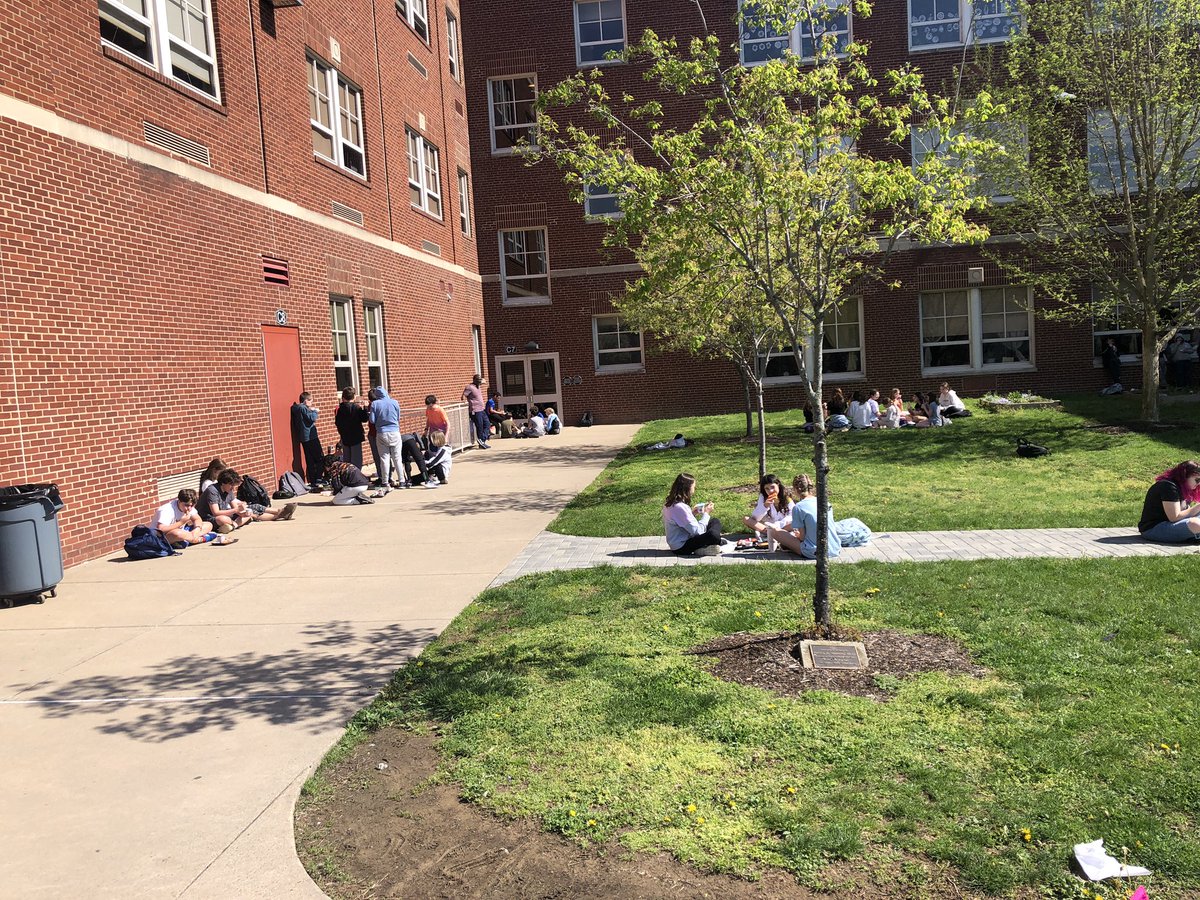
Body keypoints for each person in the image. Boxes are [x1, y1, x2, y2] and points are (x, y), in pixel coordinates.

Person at [766, 474, 841, 560]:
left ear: (795, 489)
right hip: (835, 548)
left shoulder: (799, 507)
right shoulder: (825, 503)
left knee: (775, 532)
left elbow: (802, 537)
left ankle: (791, 547)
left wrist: (796, 536)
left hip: (814, 551)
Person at [200, 469, 294, 532]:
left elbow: (235, 507)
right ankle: (280, 514)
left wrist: (243, 512)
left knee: (249, 513)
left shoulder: (228, 490)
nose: (233, 488)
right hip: (208, 517)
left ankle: (233, 526)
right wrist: (237, 511)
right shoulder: (212, 490)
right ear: (224, 483)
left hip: (225, 514)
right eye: (231, 485)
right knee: (223, 519)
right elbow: (216, 512)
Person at [662, 473, 724, 556]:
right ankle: (704, 547)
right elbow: (698, 532)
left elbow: (681, 522)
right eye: (693, 487)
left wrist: (692, 513)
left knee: (714, 521)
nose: (694, 490)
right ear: (688, 488)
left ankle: (707, 546)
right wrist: (706, 513)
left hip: (677, 544)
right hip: (682, 547)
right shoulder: (680, 507)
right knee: (713, 535)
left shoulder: (671, 503)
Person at [1138, 460, 1200, 543]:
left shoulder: (1186, 488)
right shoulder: (1168, 487)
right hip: (1154, 528)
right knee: (1195, 524)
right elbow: (1174, 517)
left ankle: (1195, 536)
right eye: (1197, 480)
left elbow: (1186, 511)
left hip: (1173, 524)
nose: (1199, 483)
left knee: (1196, 523)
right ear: (1184, 477)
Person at [152, 489, 223, 546]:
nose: (189, 508)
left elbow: (197, 519)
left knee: (208, 525)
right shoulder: (167, 509)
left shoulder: (189, 508)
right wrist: (181, 522)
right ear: (179, 501)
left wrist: (197, 529)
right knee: (177, 533)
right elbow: (161, 529)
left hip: (184, 532)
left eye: (191, 506)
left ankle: (187, 540)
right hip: (160, 537)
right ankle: (199, 539)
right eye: (186, 505)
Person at [370, 387, 406, 491]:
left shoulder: (375, 404)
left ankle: (385, 482)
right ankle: (402, 481)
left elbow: (372, 420)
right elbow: (398, 417)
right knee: (397, 458)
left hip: (381, 433)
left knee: (384, 459)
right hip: (394, 431)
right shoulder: (395, 402)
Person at [741, 474, 793, 544]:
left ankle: (773, 534)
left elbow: (792, 516)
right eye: (767, 489)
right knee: (746, 519)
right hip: (767, 528)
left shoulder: (786, 498)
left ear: (778, 485)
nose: (770, 491)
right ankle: (772, 534)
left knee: (794, 524)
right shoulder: (763, 497)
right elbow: (755, 518)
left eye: (772, 487)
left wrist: (777, 525)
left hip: (784, 527)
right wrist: (765, 506)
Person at [290, 392, 324, 486]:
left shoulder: (296, 408)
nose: (312, 403)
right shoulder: (303, 408)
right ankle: (318, 478)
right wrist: (314, 411)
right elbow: (312, 418)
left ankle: (313, 480)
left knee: (309, 459)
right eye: (311, 401)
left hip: (304, 437)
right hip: (311, 436)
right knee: (319, 458)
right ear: (306, 401)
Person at [335, 387, 370, 467]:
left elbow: (337, 422)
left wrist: (342, 432)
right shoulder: (356, 408)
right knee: (356, 459)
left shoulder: (340, 409)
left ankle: (347, 476)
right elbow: (364, 418)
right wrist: (365, 408)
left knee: (347, 459)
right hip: (356, 436)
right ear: (354, 397)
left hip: (345, 436)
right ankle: (355, 476)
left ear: (343, 397)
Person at [462, 375, 491, 449]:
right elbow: (463, 396)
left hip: (482, 409)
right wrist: (464, 400)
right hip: (475, 410)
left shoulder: (477, 385)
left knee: (487, 424)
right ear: (474, 380)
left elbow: (483, 381)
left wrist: (482, 381)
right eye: (478, 380)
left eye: (479, 380)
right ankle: (481, 443)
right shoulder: (469, 387)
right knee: (480, 427)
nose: (479, 381)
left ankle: (482, 439)